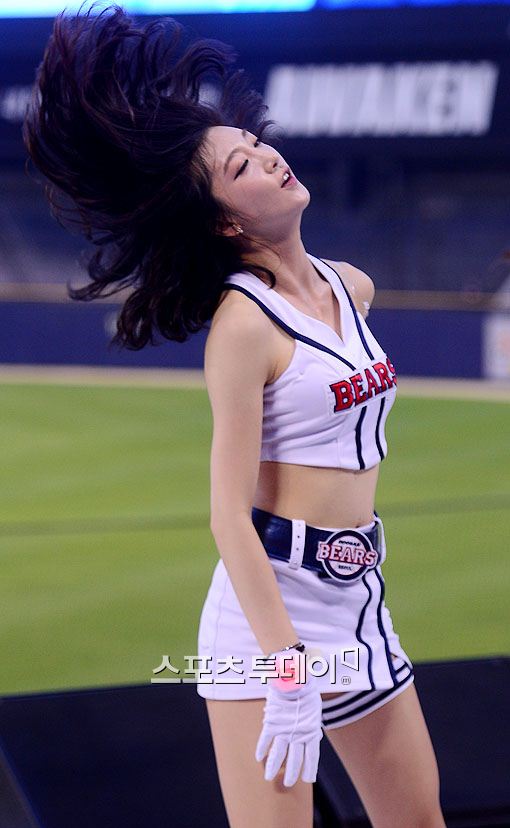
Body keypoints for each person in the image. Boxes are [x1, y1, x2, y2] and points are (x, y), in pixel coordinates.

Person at [22, 5, 446, 826]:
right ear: (224, 220)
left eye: (256, 143)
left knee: (419, 820)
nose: (269, 156)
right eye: (242, 164)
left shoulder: (352, 286)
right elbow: (227, 516)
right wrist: (287, 669)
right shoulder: (244, 326)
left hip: (358, 597)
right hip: (265, 623)